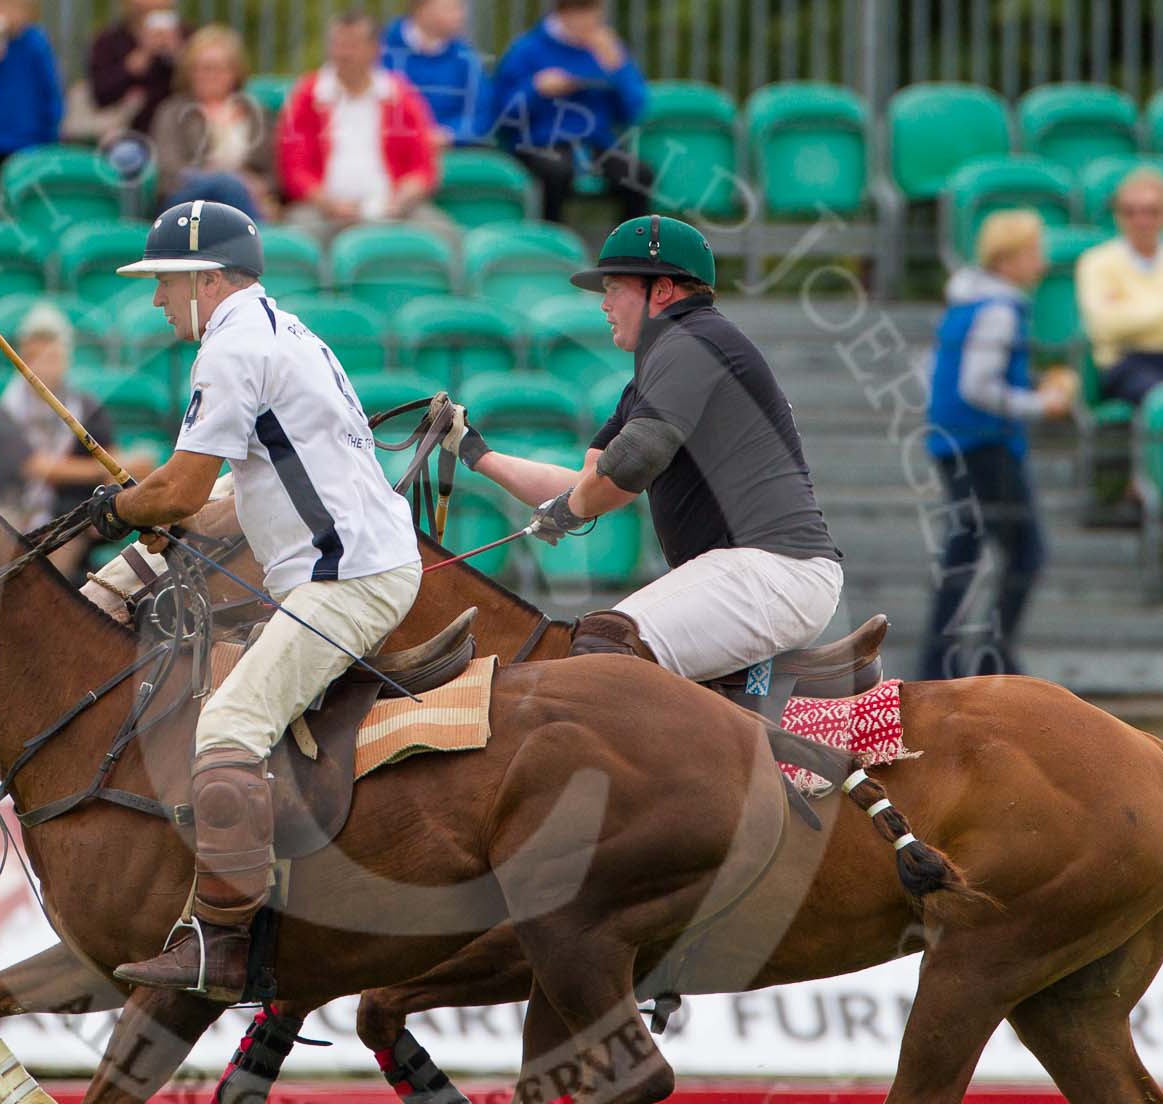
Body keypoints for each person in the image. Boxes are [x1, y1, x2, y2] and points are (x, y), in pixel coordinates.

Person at [89, 201, 421, 999]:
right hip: (360, 565)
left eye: (166, 284)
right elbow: (236, 492)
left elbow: (179, 485)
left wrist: (120, 507)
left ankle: (224, 939)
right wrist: (174, 517)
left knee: (227, 724)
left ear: (207, 279)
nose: (157, 301)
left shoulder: (231, 346)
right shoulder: (288, 331)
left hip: (343, 580)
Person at [444, 215, 844, 683]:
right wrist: (477, 454)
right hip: (753, 572)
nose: (605, 304)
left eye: (615, 288)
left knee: (605, 646)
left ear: (663, 290)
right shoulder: (663, 365)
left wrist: (569, 511)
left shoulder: (693, 342)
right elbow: (591, 481)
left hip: (771, 570)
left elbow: (631, 464)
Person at [921, 211, 1072, 680]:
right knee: (1025, 551)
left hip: (955, 442)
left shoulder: (966, 301)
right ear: (1010, 258)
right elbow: (977, 386)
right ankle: (995, 652)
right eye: (1033, 251)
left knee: (964, 551)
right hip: (985, 444)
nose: (1041, 262)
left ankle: (942, 658)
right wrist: (1039, 403)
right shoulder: (1000, 309)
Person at [0, 303, 148, 579]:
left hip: (71, 516)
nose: (43, 367)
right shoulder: (7, 410)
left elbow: (113, 462)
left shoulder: (86, 407)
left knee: (60, 550)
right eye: (35, 357)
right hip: (16, 510)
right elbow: (34, 467)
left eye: (51, 357)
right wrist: (99, 469)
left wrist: (109, 501)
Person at [277, 12, 447, 244]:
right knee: (295, 238)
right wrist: (329, 204)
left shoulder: (400, 95)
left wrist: (402, 197)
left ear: (374, 49)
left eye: (352, 45)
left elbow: (423, 167)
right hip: (323, 211)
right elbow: (294, 170)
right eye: (338, 45)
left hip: (393, 207)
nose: (343, 54)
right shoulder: (307, 95)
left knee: (446, 236)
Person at [487, 0, 651, 223]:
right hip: (541, 144)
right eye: (583, 13)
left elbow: (634, 109)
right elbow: (502, 114)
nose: (592, 22)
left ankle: (631, 251)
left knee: (638, 175)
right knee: (556, 172)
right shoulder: (527, 50)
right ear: (564, 13)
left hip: (596, 145)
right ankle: (551, 248)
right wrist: (536, 89)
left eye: (595, 13)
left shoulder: (607, 49)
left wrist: (618, 69)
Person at [1076, 166, 1163, 405]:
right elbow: (1104, 327)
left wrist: (1131, 311)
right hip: (1125, 364)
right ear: (1117, 215)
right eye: (1130, 212)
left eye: (1152, 211)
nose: (1142, 221)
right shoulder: (1096, 262)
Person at [149, 26, 274, 220]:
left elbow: (275, 174)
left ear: (234, 72)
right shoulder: (172, 111)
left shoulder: (256, 113)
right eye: (201, 68)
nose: (208, 76)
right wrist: (226, 178)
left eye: (217, 68)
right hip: (187, 203)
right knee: (228, 185)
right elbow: (169, 170)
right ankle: (258, 243)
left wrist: (259, 186)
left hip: (248, 199)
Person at [0, 0, 63, 170]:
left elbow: (50, 93)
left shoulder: (37, 45)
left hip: (29, 144)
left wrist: (50, 136)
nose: (10, 13)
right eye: (3, 5)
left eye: (17, 7)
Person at [382, 0, 491, 147]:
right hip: (391, 150)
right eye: (451, 8)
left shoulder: (466, 57)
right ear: (421, 9)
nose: (461, 16)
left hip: (450, 154)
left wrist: (448, 133)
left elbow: (482, 114)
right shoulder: (381, 51)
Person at [86, 0, 186, 138]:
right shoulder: (110, 40)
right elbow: (100, 96)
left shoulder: (187, 36)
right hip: (129, 134)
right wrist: (134, 64)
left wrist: (178, 56)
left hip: (180, 131)